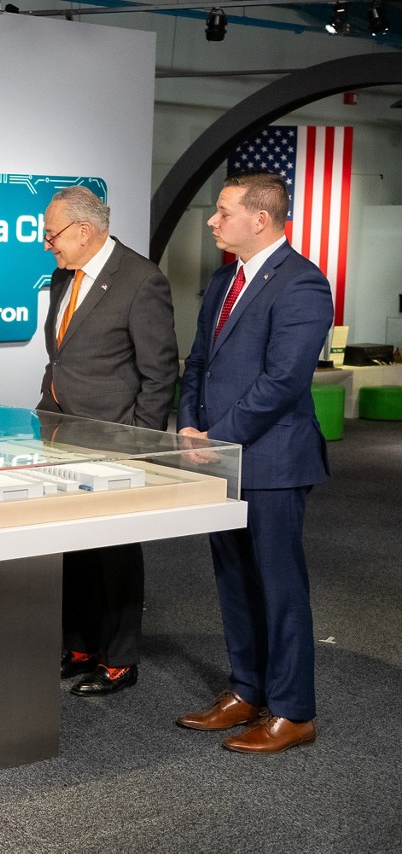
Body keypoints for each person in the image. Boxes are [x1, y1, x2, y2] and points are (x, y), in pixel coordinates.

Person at [176, 171, 332, 753]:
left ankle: (293, 712)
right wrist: (188, 425)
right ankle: (248, 690)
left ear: (260, 219)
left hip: (273, 462)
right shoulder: (224, 279)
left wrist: (216, 437)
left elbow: (283, 382)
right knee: (234, 580)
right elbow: (198, 362)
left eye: (223, 212)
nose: (212, 221)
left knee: (279, 587)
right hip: (219, 456)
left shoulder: (302, 283)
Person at [36, 186, 179, 697]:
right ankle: (80, 647)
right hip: (61, 435)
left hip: (115, 439)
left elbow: (160, 374)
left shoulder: (141, 280)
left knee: (114, 551)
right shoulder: (63, 275)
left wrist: (137, 442)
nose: (47, 243)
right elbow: (61, 357)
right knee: (72, 546)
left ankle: (119, 659)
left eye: (51, 234)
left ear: (84, 231)